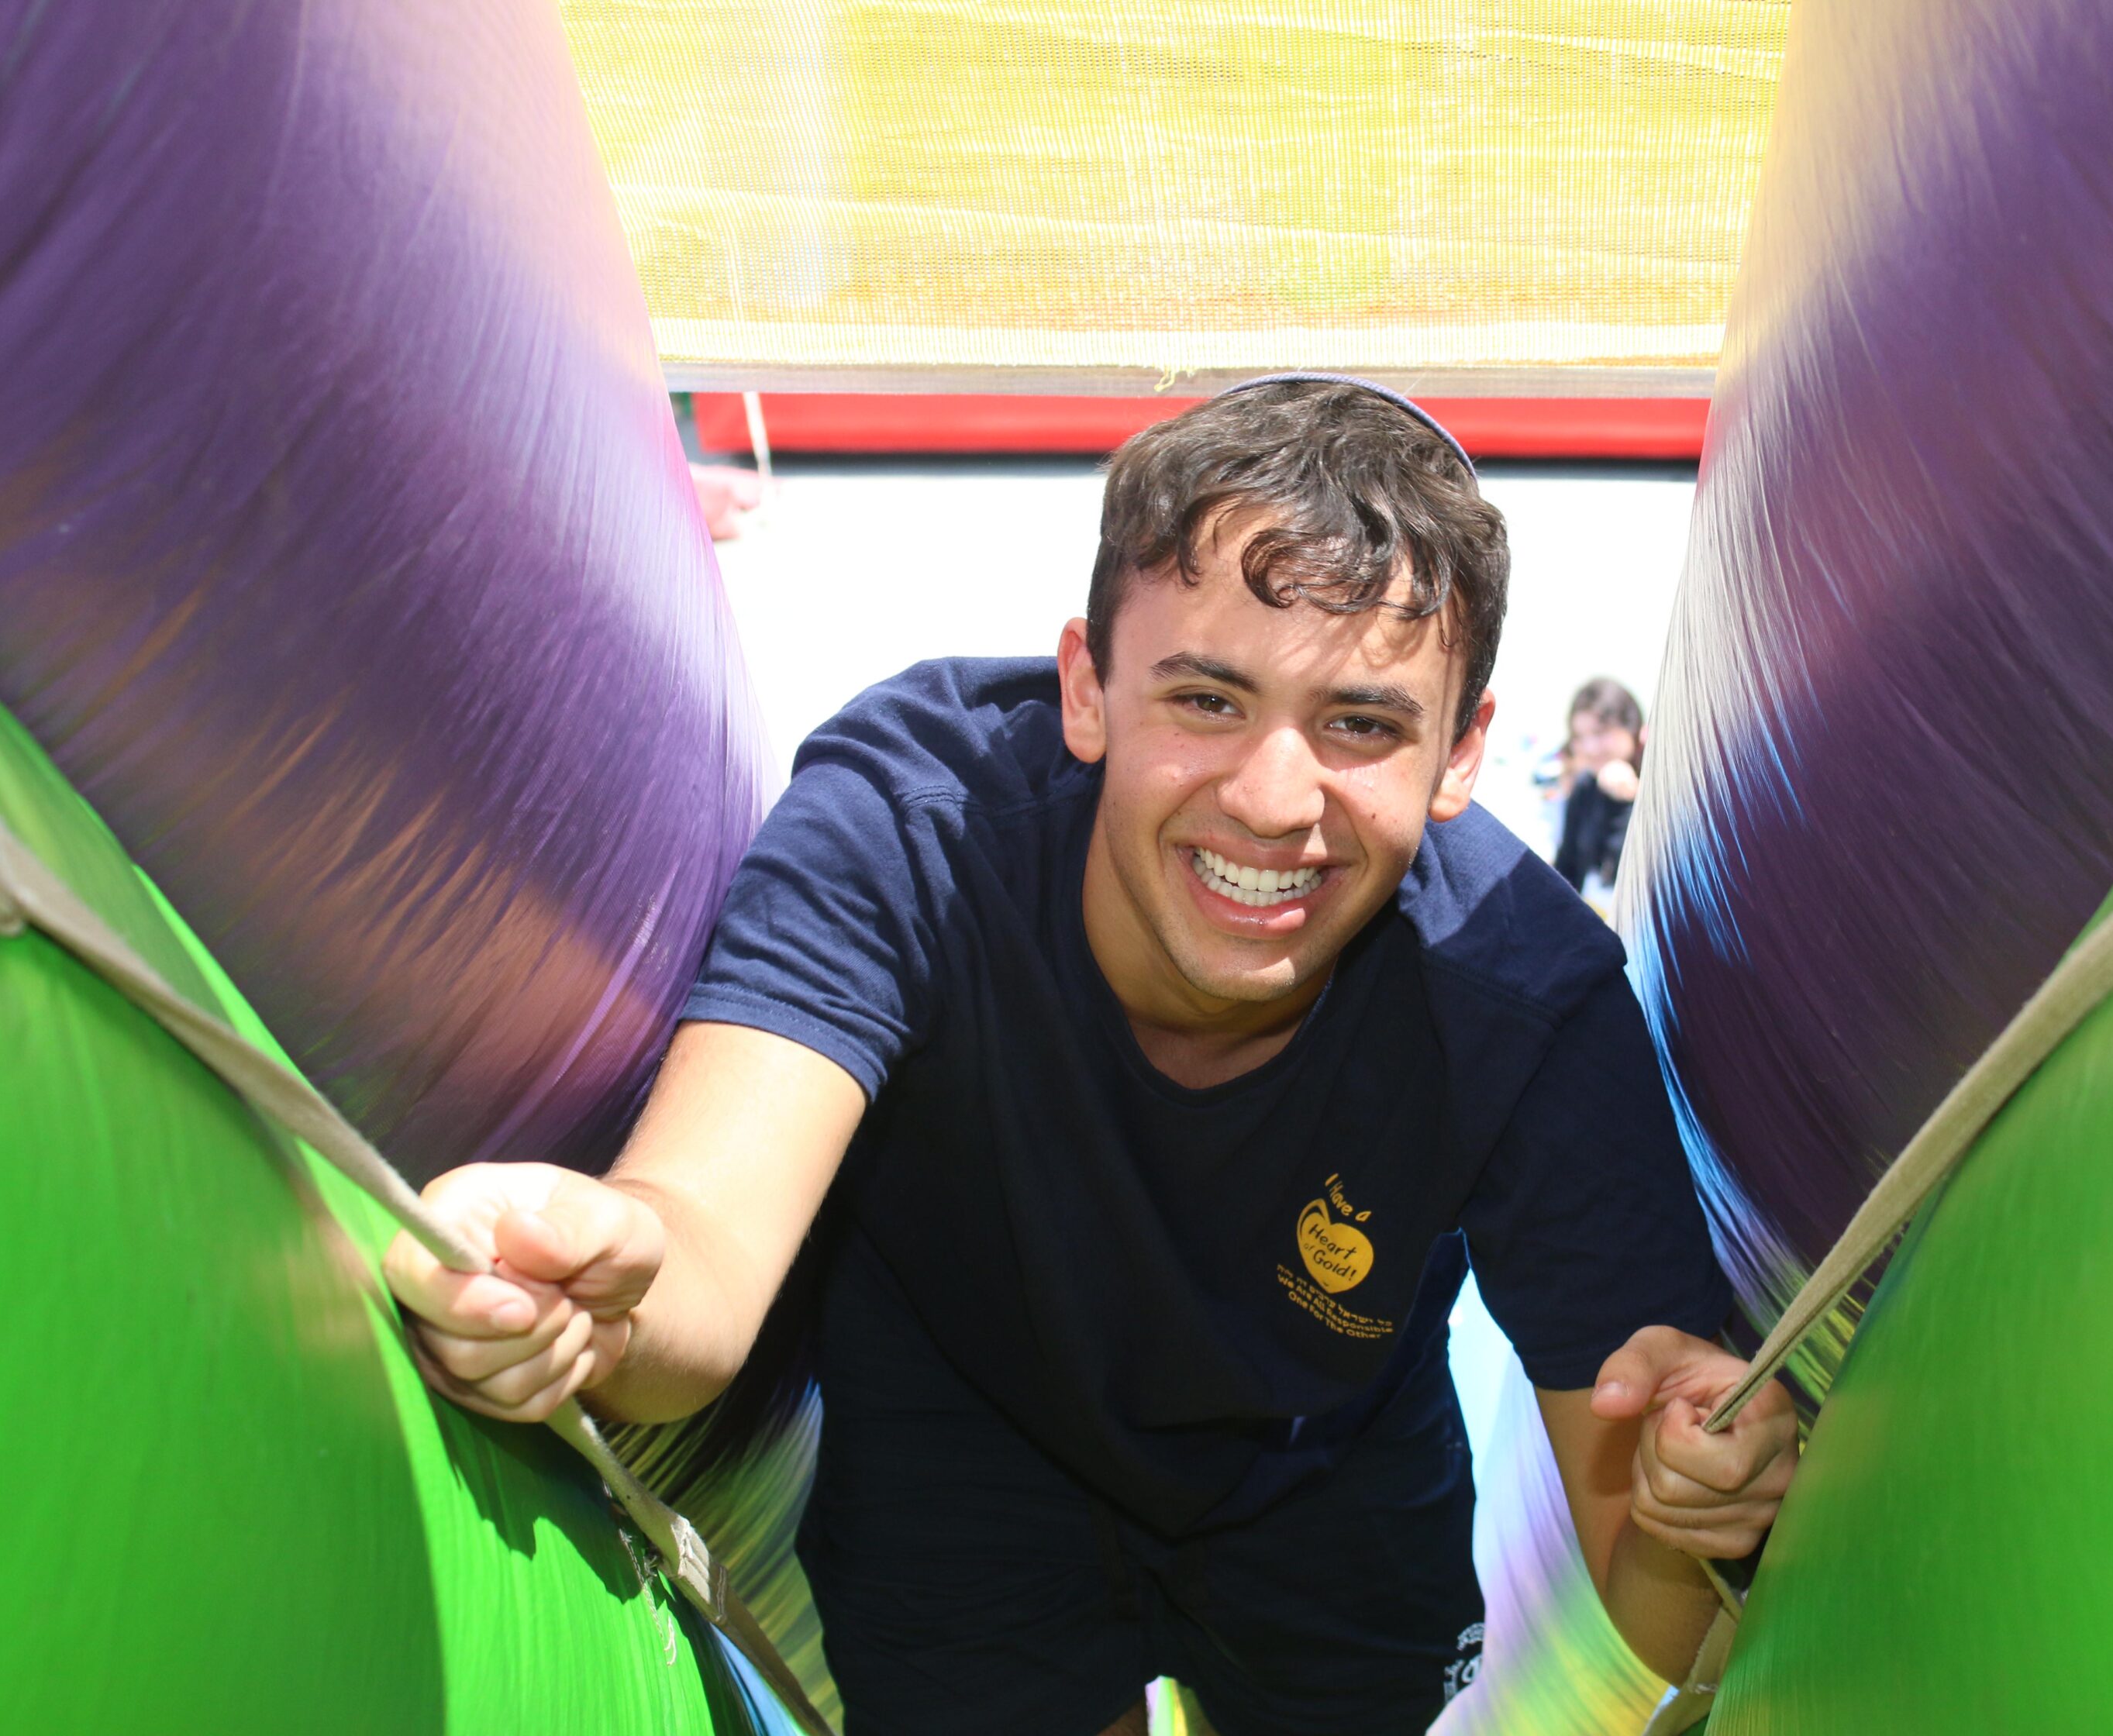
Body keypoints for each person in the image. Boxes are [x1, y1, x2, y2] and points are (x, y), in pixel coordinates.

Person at [384, 377, 1796, 1736]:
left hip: (1327, 1461)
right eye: (1205, 701)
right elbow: (698, 1238)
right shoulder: (908, 834)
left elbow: (1654, 1593)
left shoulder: (1519, 991)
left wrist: (1700, 1503)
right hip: (966, 1433)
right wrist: (597, 1273)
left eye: (1361, 725)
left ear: (1460, 756)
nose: (1270, 801)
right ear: (1086, 690)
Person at [1551, 678, 1643, 901]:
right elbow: (1567, 869)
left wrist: (1624, 800)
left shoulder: (1658, 787)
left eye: (1600, 733)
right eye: (1580, 738)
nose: (1591, 748)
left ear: (1631, 727)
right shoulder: (1585, 786)